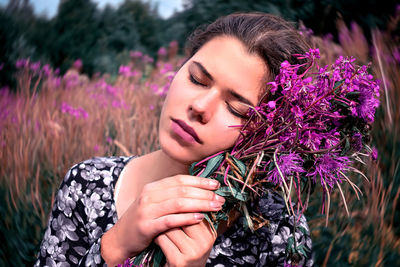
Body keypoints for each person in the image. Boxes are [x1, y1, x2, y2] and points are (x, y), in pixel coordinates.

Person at [35, 12, 313, 267]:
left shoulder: (279, 232)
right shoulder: (87, 184)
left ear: (269, 131)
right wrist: (113, 248)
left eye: (236, 108)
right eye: (197, 79)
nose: (200, 106)